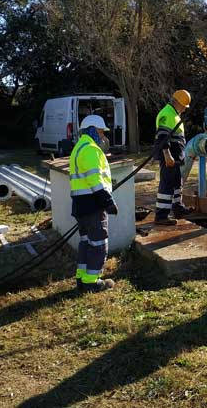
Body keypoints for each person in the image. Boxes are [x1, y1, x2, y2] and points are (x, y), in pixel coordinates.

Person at [69, 114, 118, 293]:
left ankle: (82, 279)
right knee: (98, 244)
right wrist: (108, 201)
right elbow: (94, 179)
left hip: (81, 205)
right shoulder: (90, 149)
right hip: (93, 206)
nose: (103, 136)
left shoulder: (78, 148)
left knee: (86, 243)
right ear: (92, 130)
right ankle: (92, 282)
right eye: (101, 132)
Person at [153, 89, 192, 225]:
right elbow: (162, 136)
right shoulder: (167, 114)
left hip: (175, 157)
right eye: (184, 107)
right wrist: (167, 155)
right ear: (179, 103)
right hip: (169, 157)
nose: (185, 109)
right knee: (167, 184)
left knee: (176, 182)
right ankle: (161, 215)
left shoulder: (174, 115)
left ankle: (178, 208)